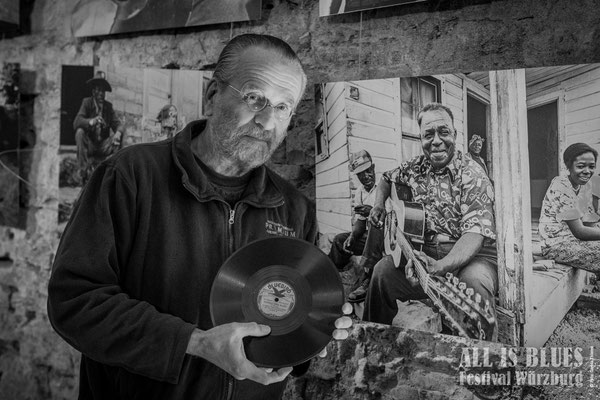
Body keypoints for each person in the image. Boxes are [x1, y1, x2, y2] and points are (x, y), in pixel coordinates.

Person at [48, 34, 352, 400]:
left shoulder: (295, 209)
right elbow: (74, 302)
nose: (267, 121)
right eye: (255, 97)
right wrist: (195, 343)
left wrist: (314, 330)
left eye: (283, 107)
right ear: (211, 96)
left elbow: (284, 335)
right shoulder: (130, 175)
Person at [364, 103, 498, 340]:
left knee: (473, 284)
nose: (436, 141)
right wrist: (379, 205)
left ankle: (481, 358)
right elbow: (385, 178)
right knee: (382, 273)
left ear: (454, 134)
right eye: (428, 134)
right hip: (426, 255)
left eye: (444, 132)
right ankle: (373, 342)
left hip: (471, 256)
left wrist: (441, 265)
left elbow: (474, 235)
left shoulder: (473, 174)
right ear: (421, 138)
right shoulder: (414, 167)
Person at [328, 149, 384, 303]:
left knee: (373, 229)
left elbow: (392, 218)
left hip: (385, 237)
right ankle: (331, 273)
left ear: (373, 167)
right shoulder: (359, 192)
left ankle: (368, 280)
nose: (366, 176)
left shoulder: (384, 186)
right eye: (361, 174)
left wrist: (372, 211)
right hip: (369, 237)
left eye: (368, 171)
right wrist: (352, 237)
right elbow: (360, 222)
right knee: (340, 240)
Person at [538, 142, 600, 271]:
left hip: (577, 242)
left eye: (591, 166)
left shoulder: (586, 186)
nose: (587, 171)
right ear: (568, 165)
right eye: (580, 166)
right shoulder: (561, 186)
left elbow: (590, 224)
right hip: (555, 245)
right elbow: (579, 231)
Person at [73, 71, 122, 183]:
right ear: (93, 91)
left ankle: (114, 173)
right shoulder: (86, 103)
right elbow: (76, 122)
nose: (101, 94)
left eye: (103, 91)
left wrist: (118, 133)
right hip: (90, 145)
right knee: (79, 132)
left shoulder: (108, 107)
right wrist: (92, 121)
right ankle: (83, 173)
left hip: (102, 146)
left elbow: (118, 124)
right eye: (99, 90)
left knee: (119, 137)